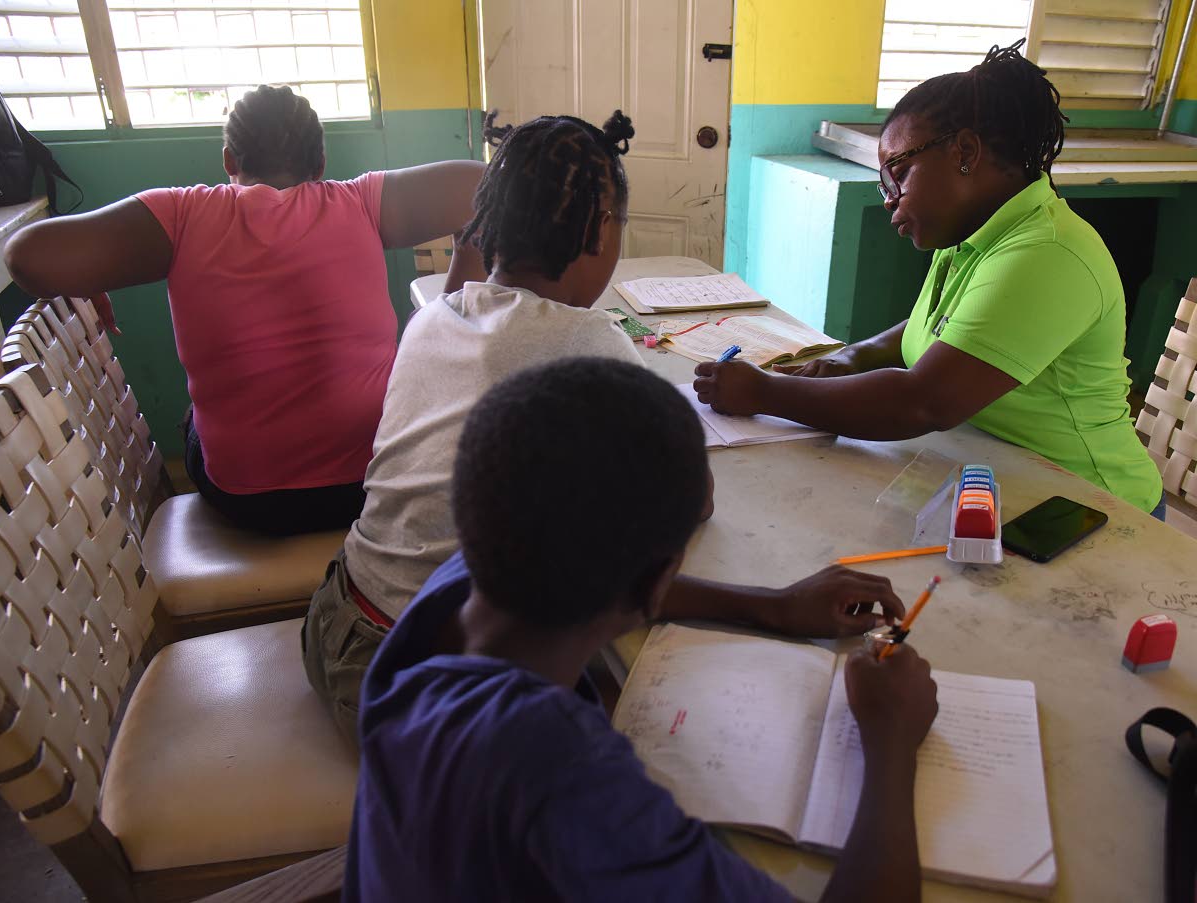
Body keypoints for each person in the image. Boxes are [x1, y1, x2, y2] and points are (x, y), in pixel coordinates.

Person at [302, 109, 907, 743]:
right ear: (600, 230)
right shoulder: (584, 340)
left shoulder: (437, 314)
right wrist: (773, 604)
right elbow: (689, 507)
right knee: (657, 727)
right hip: (418, 682)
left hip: (336, 616)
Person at [345, 357, 940, 903]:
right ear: (656, 580)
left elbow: (601, 575)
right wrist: (889, 741)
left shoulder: (462, 586)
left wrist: (771, 606)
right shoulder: (562, 774)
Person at [693, 42, 1163, 518]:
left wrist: (764, 392)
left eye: (898, 174)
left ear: (965, 152)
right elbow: (940, 328)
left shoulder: (1046, 254)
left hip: (1095, 509)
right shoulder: (971, 232)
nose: (889, 199)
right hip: (1004, 477)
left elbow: (924, 402)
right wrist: (849, 359)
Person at [4, 84, 487, 535]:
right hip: (375, 481)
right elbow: (487, 187)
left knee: (198, 415)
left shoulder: (183, 215)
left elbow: (26, 256)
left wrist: (90, 274)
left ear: (228, 160)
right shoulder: (361, 203)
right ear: (320, 164)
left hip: (249, 503)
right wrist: (451, 304)